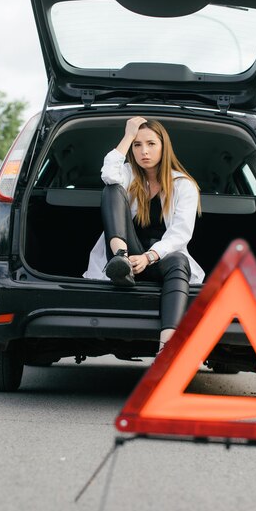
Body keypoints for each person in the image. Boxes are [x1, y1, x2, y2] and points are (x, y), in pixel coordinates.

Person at [83, 117, 204, 353]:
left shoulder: (184, 185)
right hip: (125, 253)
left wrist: (149, 257)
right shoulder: (127, 174)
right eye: (137, 145)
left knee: (179, 261)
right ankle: (120, 259)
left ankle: (168, 348)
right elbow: (108, 173)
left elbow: (180, 234)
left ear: (163, 146)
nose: (143, 151)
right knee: (111, 189)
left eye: (150, 144)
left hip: (157, 258)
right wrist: (127, 135)